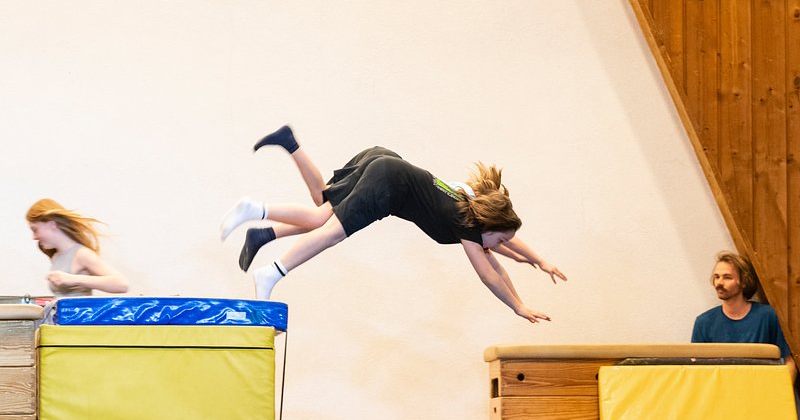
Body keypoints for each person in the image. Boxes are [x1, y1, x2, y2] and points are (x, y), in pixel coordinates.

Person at [220, 125, 566, 324]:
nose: (500, 248)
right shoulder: (468, 227)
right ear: (487, 226)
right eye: (499, 241)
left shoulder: (469, 204)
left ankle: (265, 206)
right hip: (389, 182)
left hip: (383, 160)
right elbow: (491, 274)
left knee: (321, 207)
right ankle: (271, 270)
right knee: (329, 232)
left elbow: (505, 244)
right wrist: (519, 306)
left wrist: (538, 260)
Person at [692, 251, 795, 377]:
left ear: (744, 281)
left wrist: (780, 387)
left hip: (761, 386)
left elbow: (789, 361)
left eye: (727, 277)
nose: (719, 283)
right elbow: (696, 371)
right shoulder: (704, 323)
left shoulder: (767, 316)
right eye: (716, 277)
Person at [26, 198, 129, 298]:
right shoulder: (56, 256)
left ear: (52, 224)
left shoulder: (82, 254)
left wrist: (73, 279)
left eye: (35, 230)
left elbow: (122, 284)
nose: (34, 237)